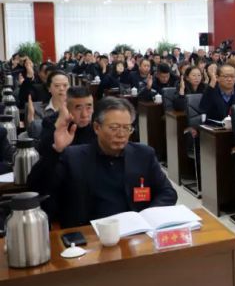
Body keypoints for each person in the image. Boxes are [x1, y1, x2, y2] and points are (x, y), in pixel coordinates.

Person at [35, 97, 177, 228]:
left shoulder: (143, 155)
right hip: (90, 234)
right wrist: (56, 151)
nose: (121, 134)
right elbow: (37, 188)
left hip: (135, 233)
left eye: (127, 128)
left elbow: (168, 192)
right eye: (114, 128)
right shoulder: (73, 157)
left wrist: (146, 217)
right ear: (97, 128)